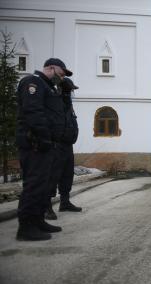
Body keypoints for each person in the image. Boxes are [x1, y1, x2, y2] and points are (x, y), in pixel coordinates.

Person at [15, 58, 72, 241]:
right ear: (51, 68)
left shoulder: (48, 87)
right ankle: (26, 227)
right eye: (61, 74)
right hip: (35, 144)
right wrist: (45, 137)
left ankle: (38, 220)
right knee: (33, 185)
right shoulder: (33, 83)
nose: (62, 78)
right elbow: (33, 113)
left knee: (43, 185)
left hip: (46, 146)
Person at [45, 78, 81, 220]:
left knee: (67, 174)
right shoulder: (56, 103)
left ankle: (65, 202)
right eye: (70, 90)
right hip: (57, 145)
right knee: (53, 175)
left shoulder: (68, 104)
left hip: (68, 145)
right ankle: (47, 207)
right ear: (62, 89)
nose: (72, 93)